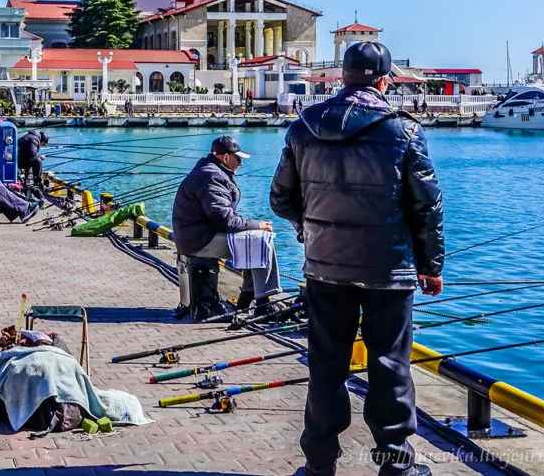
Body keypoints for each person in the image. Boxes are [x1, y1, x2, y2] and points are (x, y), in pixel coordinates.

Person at [269, 41, 444, 476]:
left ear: (342, 76)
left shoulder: (303, 126)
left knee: (326, 363)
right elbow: (427, 205)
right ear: (385, 80)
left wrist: (310, 229)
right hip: (389, 269)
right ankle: (396, 467)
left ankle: (318, 465)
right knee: (390, 365)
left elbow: (280, 199)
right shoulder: (404, 129)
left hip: (324, 267)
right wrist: (431, 265)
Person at [171, 135, 281, 315]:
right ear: (225, 158)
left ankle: (248, 296)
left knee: (254, 239)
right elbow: (224, 220)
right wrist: (257, 225)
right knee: (262, 242)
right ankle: (262, 302)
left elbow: (223, 216)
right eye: (238, 159)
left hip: (194, 236)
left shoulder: (209, 171)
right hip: (200, 241)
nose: (241, 164)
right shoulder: (212, 177)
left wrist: (251, 226)